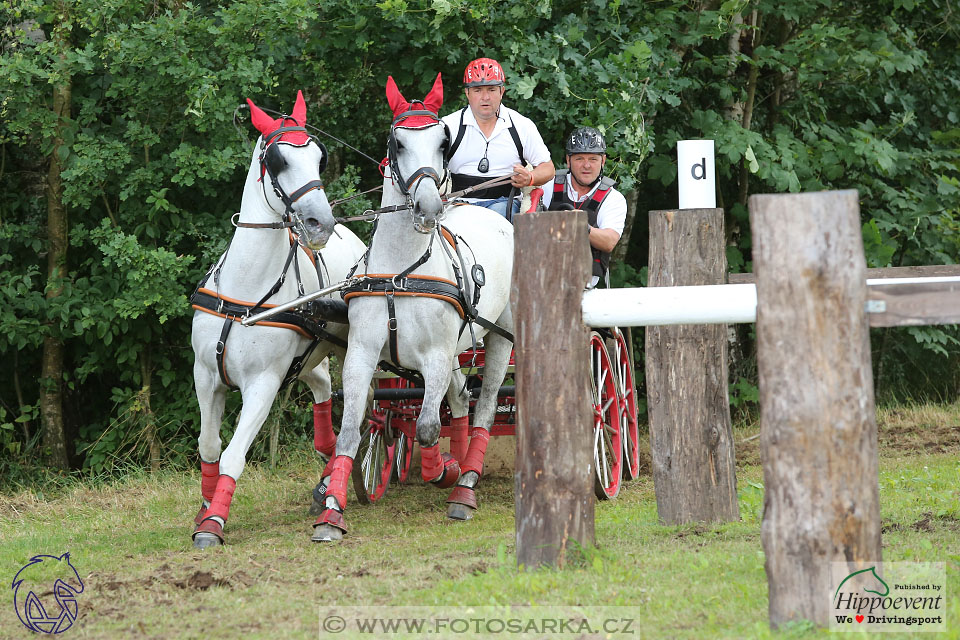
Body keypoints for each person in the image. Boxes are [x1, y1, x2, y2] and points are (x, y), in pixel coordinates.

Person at [442, 57, 554, 217]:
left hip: (504, 205)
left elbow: (548, 168)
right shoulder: (447, 126)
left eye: (491, 90)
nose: (485, 97)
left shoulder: (522, 126)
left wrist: (530, 178)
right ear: (467, 92)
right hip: (457, 205)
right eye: (477, 90)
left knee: (496, 218)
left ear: (502, 91)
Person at [541, 126, 627, 288]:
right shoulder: (548, 186)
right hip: (541, 277)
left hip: (584, 287)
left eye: (593, 159)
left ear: (603, 161)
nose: (586, 165)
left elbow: (609, 241)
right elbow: (526, 222)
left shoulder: (613, 198)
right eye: (579, 158)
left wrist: (579, 225)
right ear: (568, 160)